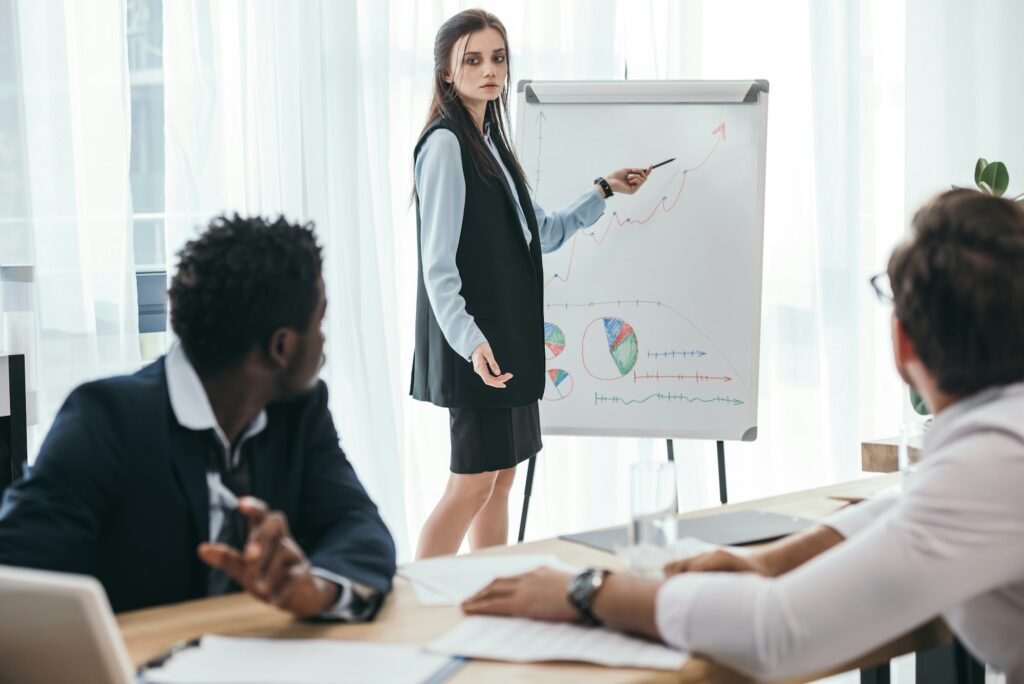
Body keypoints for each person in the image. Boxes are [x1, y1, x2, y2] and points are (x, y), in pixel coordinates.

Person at [461, 189, 1024, 681]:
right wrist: (767, 561)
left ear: (903, 345)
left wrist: (586, 592)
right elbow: (910, 508)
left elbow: (775, 633)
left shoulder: (991, 462)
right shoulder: (997, 447)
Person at [0, 215, 397, 619]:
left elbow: (359, 527)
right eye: (320, 321)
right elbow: (15, 576)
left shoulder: (298, 412)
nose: (325, 338)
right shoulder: (106, 419)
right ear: (281, 346)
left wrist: (317, 587)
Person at [412, 8, 653, 559]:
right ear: (447, 72)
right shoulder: (446, 144)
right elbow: (438, 266)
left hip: (507, 342)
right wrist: (472, 343)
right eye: (473, 60)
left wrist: (604, 190)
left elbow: (542, 233)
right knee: (471, 483)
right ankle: (421, 601)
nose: (489, 70)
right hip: (478, 344)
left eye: (498, 58)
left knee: (500, 480)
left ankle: (486, 588)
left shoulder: (491, 141)